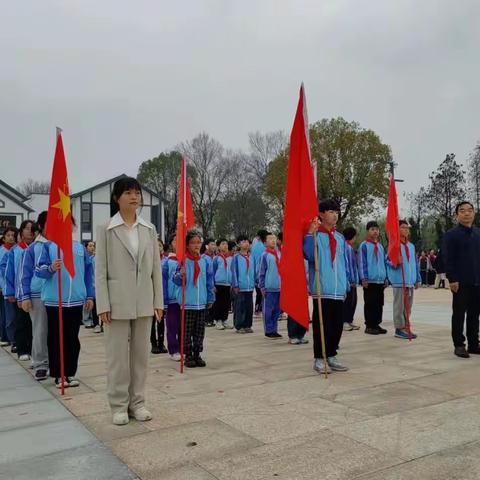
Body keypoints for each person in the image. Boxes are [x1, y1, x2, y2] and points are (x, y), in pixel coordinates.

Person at [95, 177, 164, 425]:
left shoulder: (149, 229)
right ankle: (118, 405)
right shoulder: (106, 229)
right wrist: (103, 304)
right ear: (117, 198)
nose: (134, 197)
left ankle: (138, 403)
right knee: (117, 358)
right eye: (128, 193)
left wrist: (159, 301)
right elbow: (100, 271)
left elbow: (155, 267)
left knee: (140, 356)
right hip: (116, 302)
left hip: (144, 300)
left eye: (137, 193)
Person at [36, 217, 94, 388]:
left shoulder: (80, 248)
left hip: (76, 300)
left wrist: (90, 295)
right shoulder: (47, 247)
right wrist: (51, 268)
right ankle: (58, 374)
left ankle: (70, 372)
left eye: (69, 224)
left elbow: (88, 273)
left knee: (72, 338)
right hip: (55, 301)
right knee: (55, 338)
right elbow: (39, 271)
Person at [304, 199, 351, 374]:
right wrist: (310, 234)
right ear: (322, 214)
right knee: (322, 325)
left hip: (338, 289)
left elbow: (343, 263)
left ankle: (331, 355)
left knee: (337, 324)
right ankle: (319, 358)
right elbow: (309, 255)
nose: (335, 215)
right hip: (322, 289)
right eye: (331, 211)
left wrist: (346, 283)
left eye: (336, 212)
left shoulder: (339, 238)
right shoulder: (315, 235)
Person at [442, 201, 480, 358]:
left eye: (470, 210)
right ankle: (459, 344)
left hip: (477, 281)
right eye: (462, 211)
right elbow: (447, 258)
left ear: (474, 213)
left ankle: (473, 344)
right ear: (457, 214)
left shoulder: (478, 233)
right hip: (460, 282)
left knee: (474, 314)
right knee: (458, 314)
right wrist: (452, 279)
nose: (467, 213)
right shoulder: (451, 235)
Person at [173, 230, 214, 368]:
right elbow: (176, 280)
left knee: (199, 331)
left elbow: (209, 281)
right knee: (187, 330)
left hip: (201, 302)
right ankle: (188, 354)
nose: (196, 245)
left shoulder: (205, 261)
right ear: (187, 245)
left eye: (198, 242)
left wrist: (210, 297)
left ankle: (197, 353)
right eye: (193, 243)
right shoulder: (183, 261)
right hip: (188, 302)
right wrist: (180, 275)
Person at [19, 211, 50, 380]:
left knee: (56, 331)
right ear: (40, 226)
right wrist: (24, 296)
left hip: (56, 295)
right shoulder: (33, 248)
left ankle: (57, 362)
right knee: (40, 330)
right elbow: (24, 274)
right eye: (48, 223)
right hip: (37, 294)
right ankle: (40, 364)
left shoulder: (60, 246)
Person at [4, 220, 36, 360]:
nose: (29, 231)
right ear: (21, 232)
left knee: (34, 324)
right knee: (21, 321)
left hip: (36, 292)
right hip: (20, 293)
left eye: (32, 229)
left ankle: (33, 349)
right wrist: (10, 292)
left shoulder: (37, 248)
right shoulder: (15, 251)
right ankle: (22, 349)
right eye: (26, 228)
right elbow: (8, 273)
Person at [386, 220, 421, 340]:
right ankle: (399, 328)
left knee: (408, 306)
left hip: (410, 280)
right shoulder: (394, 245)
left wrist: (417, 278)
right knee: (399, 306)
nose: (406, 230)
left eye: (407, 228)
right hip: (399, 280)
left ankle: (406, 326)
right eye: (403, 227)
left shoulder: (411, 246)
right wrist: (395, 262)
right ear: (397, 229)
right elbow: (387, 261)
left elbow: (415, 263)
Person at [358, 221, 388, 335]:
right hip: (369, 280)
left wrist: (386, 278)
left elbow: (384, 263)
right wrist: (363, 278)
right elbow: (362, 262)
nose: (375, 231)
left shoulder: (380, 246)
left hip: (380, 280)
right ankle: (369, 325)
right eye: (372, 229)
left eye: (376, 229)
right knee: (370, 303)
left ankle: (376, 323)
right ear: (367, 231)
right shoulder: (364, 245)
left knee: (379, 303)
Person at [258, 233, 282, 339]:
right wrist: (262, 286)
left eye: (274, 239)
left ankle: (274, 329)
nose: (273, 241)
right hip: (269, 287)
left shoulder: (279, 254)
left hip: (279, 287)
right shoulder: (265, 255)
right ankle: (268, 330)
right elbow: (261, 272)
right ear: (265, 243)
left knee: (277, 310)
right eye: (270, 239)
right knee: (268, 310)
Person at [231, 235, 255, 334]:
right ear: (239, 244)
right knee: (240, 307)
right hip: (240, 287)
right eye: (243, 241)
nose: (246, 243)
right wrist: (235, 285)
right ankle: (239, 325)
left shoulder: (251, 257)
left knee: (249, 307)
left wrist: (254, 282)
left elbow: (254, 271)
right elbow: (234, 272)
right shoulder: (236, 257)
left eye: (247, 241)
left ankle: (247, 325)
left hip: (250, 286)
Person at [162, 235, 181, 361]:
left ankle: (182, 347)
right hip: (172, 299)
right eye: (175, 240)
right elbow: (163, 283)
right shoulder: (166, 262)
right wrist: (163, 300)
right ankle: (173, 349)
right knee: (172, 326)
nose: (178, 242)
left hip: (184, 299)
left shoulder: (186, 260)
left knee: (183, 326)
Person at [0, 227, 17, 348]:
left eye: (13, 235)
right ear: (4, 237)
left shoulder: (17, 250)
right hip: (4, 287)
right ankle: (7, 337)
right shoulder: (1, 251)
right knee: (6, 315)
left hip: (17, 288)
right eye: (8, 235)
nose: (11, 237)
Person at [150, 238, 167, 354]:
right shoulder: (148, 261)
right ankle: (153, 343)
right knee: (151, 321)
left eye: (159, 245)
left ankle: (161, 343)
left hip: (163, 295)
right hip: (150, 295)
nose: (157, 248)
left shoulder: (166, 261)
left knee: (161, 321)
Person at [212, 238, 233, 330]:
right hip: (218, 284)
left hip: (228, 284)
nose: (225, 245)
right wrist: (213, 284)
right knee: (218, 302)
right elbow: (213, 271)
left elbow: (233, 270)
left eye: (226, 244)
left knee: (226, 303)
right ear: (218, 247)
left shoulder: (231, 258)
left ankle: (225, 319)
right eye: (223, 244)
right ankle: (218, 320)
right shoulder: (216, 258)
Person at [342, 227, 360, 331]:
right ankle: (344, 321)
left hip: (353, 280)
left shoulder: (350, 247)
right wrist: (350, 279)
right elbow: (347, 265)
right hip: (349, 280)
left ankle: (349, 320)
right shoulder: (346, 247)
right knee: (347, 302)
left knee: (353, 301)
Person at [251, 230, 268, 315]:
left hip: (255, 272)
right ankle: (259, 309)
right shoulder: (263, 247)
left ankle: (257, 309)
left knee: (258, 292)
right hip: (261, 272)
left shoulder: (254, 246)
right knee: (261, 293)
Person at [202, 238, 216, 327]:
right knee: (206, 301)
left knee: (211, 302)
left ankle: (210, 319)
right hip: (205, 283)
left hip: (212, 283)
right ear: (206, 246)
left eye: (214, 244)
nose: (214, 246)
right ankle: (206, 319)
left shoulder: (214, 257)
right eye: (212, 244)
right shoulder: (203, 257)